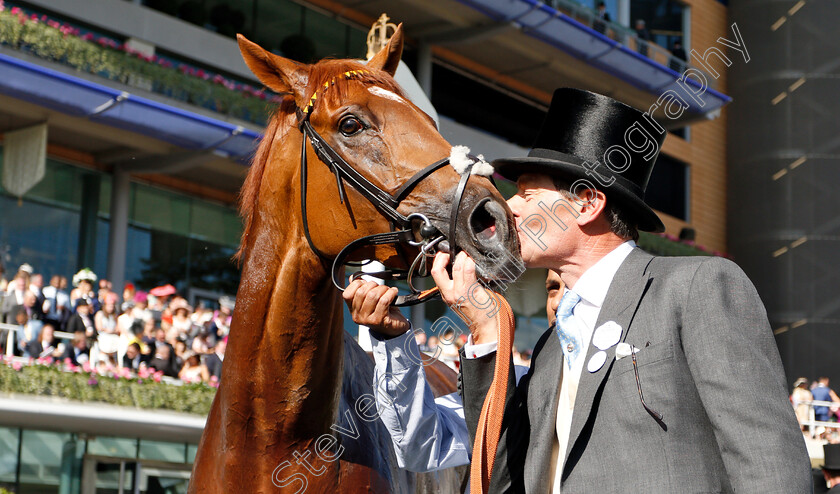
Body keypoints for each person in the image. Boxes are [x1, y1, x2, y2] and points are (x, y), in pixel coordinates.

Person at [347, 88, 811, 492]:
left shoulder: (697, 287)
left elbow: (767, 460)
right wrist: (486, 327)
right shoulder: (548, 352)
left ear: (588, 203)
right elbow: (490, 471)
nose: (508, 206)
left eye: (527, 193)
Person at [344, 270, 563, 473]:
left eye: (573, 288)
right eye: (553, 288)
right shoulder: (519, 385)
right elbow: (423, 447)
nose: (559, 302)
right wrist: (395, 339)